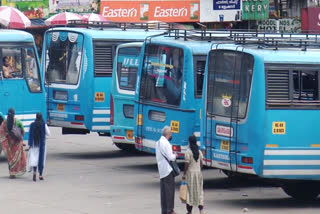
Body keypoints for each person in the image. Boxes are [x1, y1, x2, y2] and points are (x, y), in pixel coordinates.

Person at [155, 126, 178, 214]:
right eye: (171, 133)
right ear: (168, 134)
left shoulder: (158, 143)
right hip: (168, 170)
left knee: (163, 192)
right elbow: (170, 157)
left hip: (161, 170)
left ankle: (164, 210)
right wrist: (175, 155)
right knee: (169, 191)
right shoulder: (166, 144)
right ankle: (170, 210)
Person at [0, 108, 27, 178]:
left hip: (9, 143)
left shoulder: (4, 122)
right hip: (16, 143)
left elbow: (1, 133)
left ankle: (11, 173)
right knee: (16, 158)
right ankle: (15, 172)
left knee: (10, 158)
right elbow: (23, 130)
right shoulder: (17, 121)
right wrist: (20, 138)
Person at [182, 135, 204, 214]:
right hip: (198, 174)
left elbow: (187, 164)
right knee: (199, 191)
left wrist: (184, 174)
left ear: (189, 142)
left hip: (191, 174)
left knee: (190, 193)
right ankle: (201, 210)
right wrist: (198, 169)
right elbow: (201, 164)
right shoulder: (199, 151)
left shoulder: (188, 152)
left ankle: (189, 211)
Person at [28, 113, 48, 181]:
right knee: (41, 159)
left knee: (34, 158)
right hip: (41, 144)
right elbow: (48, 133)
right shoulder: (43, 124)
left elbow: (30, 134)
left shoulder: (32, 124)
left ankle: (34, 172)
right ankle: (40, 175)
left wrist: (29, 144)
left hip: (34, 144)